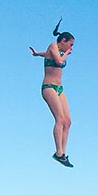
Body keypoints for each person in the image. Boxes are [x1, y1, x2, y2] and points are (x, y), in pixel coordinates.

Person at [30, 19, 75, 167]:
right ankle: (58, 152)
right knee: (60, 119)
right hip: (48, 87)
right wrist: (67, 53)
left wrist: (38, 54)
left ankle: (63, 153)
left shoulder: (55, 50)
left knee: (67, 122)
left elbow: (48, 55)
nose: (71, 48)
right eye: (70, 45)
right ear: (63, 41)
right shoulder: (54, 46)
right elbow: (59, 61)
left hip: (59, 88)